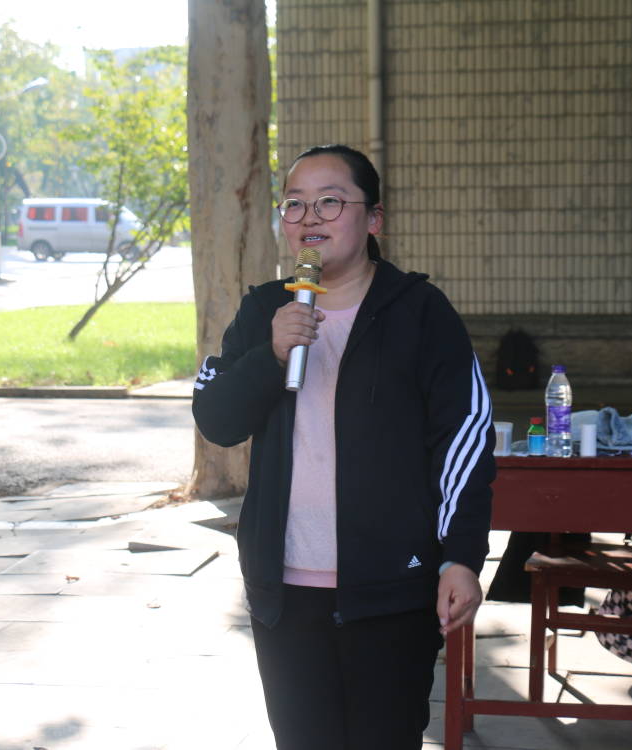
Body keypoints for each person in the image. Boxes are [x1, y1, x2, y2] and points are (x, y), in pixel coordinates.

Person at [192, 144, 495, 750]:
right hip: (284, 589)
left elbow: (465, 435)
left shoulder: (419, 312)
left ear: (373, 218)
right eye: (295, 204)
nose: (310, 217)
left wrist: (461, 555)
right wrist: (270, 354)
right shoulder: (264, 308)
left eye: (330, 201)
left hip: (393, 587)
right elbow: (217, 420)